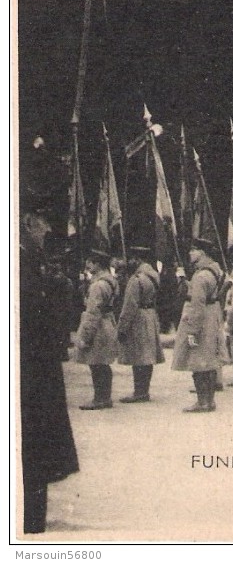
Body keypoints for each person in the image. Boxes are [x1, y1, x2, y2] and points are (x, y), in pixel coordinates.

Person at [20, 198, 78, 533]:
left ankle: (32, 515)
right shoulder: (22, 261)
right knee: (33, 442)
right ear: (29, 222)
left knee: (36, 443)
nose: (49, 230)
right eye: (43, 223)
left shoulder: (31, 260)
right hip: (30, 370)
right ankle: (29, 519)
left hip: (37, 368)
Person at [171, 238, 230, 413]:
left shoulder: (201, 275)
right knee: (209, 360)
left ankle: (202, 401)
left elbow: (196, 305)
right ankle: (209, 400)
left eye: (193, 250)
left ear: (202, 253)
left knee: (197, 361)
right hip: (213, 316)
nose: (190, 253)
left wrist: (192, 331)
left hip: (201, 320)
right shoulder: (215, 270)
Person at [74, 249, 120, 410]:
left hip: (98, 327)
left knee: (96, 364)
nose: (87, 265)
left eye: (90, 262)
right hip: (108, 323)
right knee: (103, 364)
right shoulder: (110, 282)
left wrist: (85, 337)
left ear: (97, 264)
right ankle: (104, 397)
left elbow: (92, 313)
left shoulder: (97, 286)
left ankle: (100, 398)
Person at [117, 245, 163, 403]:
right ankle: (144, 390)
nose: (129, 261)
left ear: (137, 259)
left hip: (138, 318)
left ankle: (139, 392)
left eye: (131, 259)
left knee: (138, 356)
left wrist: (122, 328)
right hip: (150, 315)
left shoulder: (136, 279)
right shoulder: (154, 276)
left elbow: (129, 305)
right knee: (147, 355)